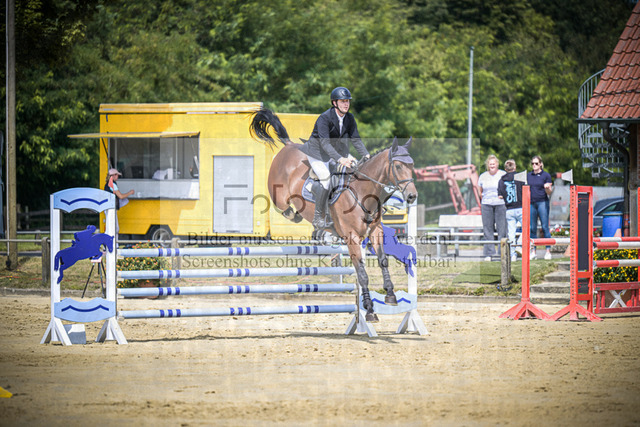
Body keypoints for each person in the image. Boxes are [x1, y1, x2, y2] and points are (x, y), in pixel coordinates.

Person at [299, 87, 370, 232]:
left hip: (335, 152)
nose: (346, 104)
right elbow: (325, 143)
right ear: (334, 103)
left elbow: (356, 140)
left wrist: (367, 156)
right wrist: (340, 159)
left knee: (355, 170)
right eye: (343, 101)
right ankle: (318, 218)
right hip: (317, 153)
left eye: (347, 101)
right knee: (326, 180)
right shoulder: (324, 118)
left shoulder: (349, 118)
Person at [478, 154, 507, 261]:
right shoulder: (483, 176)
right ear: (488, 165)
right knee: (487, 229)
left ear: (497, 164)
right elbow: (479, 191)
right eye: (490, 164)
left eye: (493, 164)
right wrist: (485, 200)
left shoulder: (503, 174)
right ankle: (489, 254)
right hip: (486, 204)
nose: (492, 165)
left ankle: (501, 253)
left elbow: (508, 188)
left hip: (500, 204)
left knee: (502, 229)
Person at [528, 155, 553, 260]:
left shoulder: (546, 175)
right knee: (532, 228)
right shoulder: (529, 175)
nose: (534, 165)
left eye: (536, 163)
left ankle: (548, 251)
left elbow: (549, 192)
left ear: (541, 164)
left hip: (542, 202)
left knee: (545, 227)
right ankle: (533, 251)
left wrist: (547, 188)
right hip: (531, 203)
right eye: (532, 163)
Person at [498, 159, 523, 262]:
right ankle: (519, 245)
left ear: (505, 169)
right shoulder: (520, 177)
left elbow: (500, 196)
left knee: (511, 233)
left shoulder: (501, 180)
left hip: (509, 209)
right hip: (520, 207)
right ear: (515, 167)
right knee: (528, 227)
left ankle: (513, 255)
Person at [104, 168, 134, 233]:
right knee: (114, 228)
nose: (118, 176)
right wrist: (130, 193)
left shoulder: (108, 183)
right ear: (114, 175)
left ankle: (109, 239)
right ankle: (113, 240)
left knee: (110, 227)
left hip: (108, 207)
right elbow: (121, 196)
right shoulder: (112, 184)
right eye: (117, 175)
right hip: (111, 208)